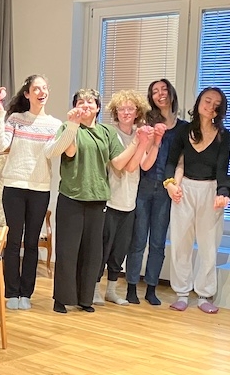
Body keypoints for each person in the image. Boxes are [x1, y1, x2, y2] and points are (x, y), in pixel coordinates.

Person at [50, 89, 148, 313]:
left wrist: (137, 142)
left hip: (98, 199)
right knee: (68, 250)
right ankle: (62, 299)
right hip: (71, 197)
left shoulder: (106, 132)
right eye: (81, 101)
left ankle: (85, 299)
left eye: (90, 102)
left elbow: (119, 163)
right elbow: (71, 152)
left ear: (97, 107)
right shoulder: (68, 128)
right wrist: (73, 124)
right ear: (75, 106)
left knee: (92, 253)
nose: (86, 105)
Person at [0, 75, 63, 310]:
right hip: (14, 186)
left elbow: (53, 152)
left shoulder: (54, 124)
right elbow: (0, 146)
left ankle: (26, 293)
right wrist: (0, 113)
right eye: (36, 88)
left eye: (44, 88)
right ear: (27, 94)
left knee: (31, 242)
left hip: (40, 188)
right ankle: (11, 292)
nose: (41, 92)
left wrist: (70, 128)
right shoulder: (16, 119)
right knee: (14, 241)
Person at [164, 87, 230, 313]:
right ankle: (181, 292)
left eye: (216, 104)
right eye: (207, 100)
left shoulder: (224, 136)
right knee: (181, 241)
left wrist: (224, 192)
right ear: (199, 101)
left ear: (219, 111)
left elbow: (222, 169)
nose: (210, 105)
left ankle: (204, 294)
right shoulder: (183, 131)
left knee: (208, 245)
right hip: (185, 189)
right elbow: (171, 162)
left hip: (210, 190)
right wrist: (171, 184)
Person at [93, 90, 155, 307]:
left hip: (130, 202)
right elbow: (124, 165)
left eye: (130, 108)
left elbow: (145, 164)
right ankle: (94, 290)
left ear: (137, 111)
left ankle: (111, 290)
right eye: (122, 109)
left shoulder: (140, 133)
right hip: (110, 200)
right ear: (115, 112)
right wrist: (139, 143)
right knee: (102, 249)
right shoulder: (110, 133)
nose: (126, 112)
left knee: (119, 250)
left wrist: (154, 141)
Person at [125, 79, 185, 305]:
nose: (160, 94)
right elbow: (144, 159)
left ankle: (151, 287)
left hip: (165, 190)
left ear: (171, 92)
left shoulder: (183, 128)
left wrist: (174, 185)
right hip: (143, 186)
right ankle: (131, 286)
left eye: (164, 90)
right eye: (155, 92)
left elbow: (181, 161)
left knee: (158, 242)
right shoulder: (147, 123)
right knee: (138, 239)